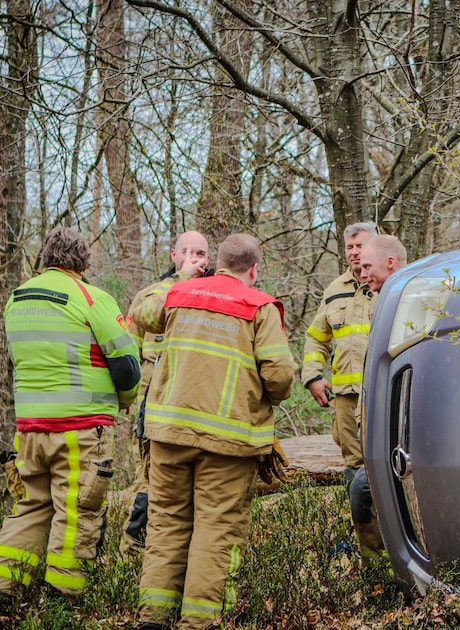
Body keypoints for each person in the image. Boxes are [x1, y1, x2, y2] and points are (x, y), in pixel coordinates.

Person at [0, 227, 141, 622]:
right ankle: (60, 606)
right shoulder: (91, 298)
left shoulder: (17, 299)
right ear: (83, 261)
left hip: (30, 430)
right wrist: (125, 401)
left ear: (46, 257)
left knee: (29, 509)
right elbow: (127, 367)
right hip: (81, 430)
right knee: (77, 512)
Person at [133, 233, 295, 630]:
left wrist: (182, 279)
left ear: (215, 263)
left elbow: (141, 313)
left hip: (169, 435)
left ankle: (153, 619)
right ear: (253, 269)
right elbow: (280, 378)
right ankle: (198, 622)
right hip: (228, 443)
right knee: (216, 531)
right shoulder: (260, 307)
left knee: (166, 525)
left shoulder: (178, 294)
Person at [120, 231, 210, 555]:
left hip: (199, 408)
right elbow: (128, 349)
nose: (193, 258)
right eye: (186, 252)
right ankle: (132, 556)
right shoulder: (151, 296)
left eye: (199, 253)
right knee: (147, 485)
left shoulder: (215, 295)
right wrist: (126, 395)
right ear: (174, 255)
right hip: (154, 408)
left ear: (209, 259)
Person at [301, 223, 377, 515]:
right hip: (346, 399)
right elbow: (316, 338)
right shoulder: (334, 291)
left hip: (381, 395)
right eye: (350, 247)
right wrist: (313, 377)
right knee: (354, 473)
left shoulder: (389, 286)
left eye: (361, 246)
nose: (355, 252)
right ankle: (365, 542)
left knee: (383, 469)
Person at [350, 234, 408, 563]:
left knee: (363, 489)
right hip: (379, 419)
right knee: (361, 490)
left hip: (402, 422)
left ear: (390, 263)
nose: (362, 274)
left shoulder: (413, 298)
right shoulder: (384, 299)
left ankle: (384, 570)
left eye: (367, 267)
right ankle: (379, 569)